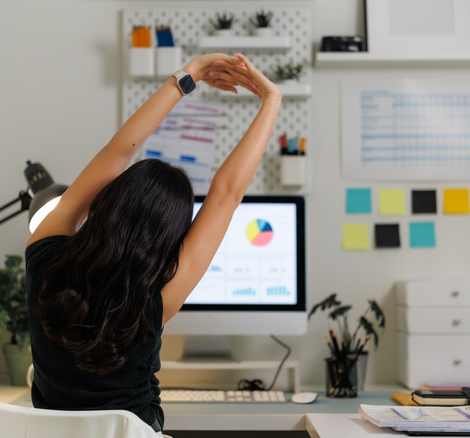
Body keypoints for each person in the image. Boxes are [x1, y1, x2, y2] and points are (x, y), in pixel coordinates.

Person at [24, 52, 281, 434]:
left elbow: (120, 150)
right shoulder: (158, 298)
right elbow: (227, 193)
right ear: (170, 240)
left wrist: (188, 74)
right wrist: (271, 100)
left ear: (107, 201)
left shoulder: (43, 254)